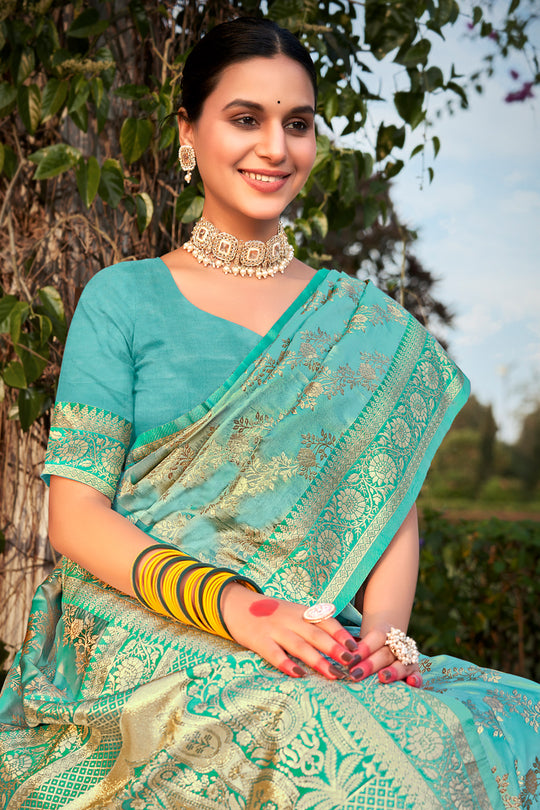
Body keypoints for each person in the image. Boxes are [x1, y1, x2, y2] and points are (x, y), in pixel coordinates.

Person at [0, 16, 538, 810]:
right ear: (189, 131)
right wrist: (239, 610)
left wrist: (387, 636)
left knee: (501, 726)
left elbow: (391, 505)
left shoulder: (361, 323)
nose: (275, 148)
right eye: (245, 119)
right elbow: (75, 516)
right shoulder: (126, 298)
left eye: (298, 124)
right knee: (334, 754)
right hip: (141, 628)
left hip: (311, 630)